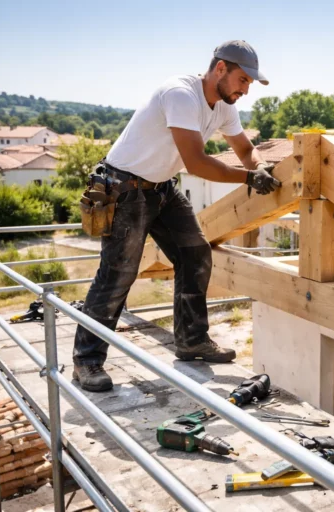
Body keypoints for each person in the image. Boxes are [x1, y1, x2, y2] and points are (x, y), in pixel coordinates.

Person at [72, 40, 281, 392]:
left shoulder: (224, 105)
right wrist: (248, 178)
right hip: (125, 188)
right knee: (118, 274)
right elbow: (197, 162)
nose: (245, 90)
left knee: (194, 253)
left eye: (248, 83)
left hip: (159, 187)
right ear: (220, 69)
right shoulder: (180, 94)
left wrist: (260, 167)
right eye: (243, 80)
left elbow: (245, 149)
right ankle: (86, 361)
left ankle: (191, 341)